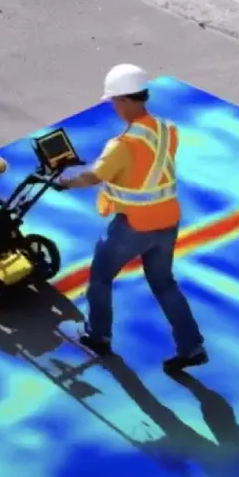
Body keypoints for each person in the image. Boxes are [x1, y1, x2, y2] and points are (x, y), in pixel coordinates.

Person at [59, 64, 208, 373]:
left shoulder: (121, 145)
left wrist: (65, 182)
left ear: (125, 100)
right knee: (164, 284)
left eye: (113, 101)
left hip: (133, 227)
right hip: (167, 221)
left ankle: (98, 335)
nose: (113, 107)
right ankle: (191, 346)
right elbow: (145, 167)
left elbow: (94, 176)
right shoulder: (168, 131)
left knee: (100, 278)